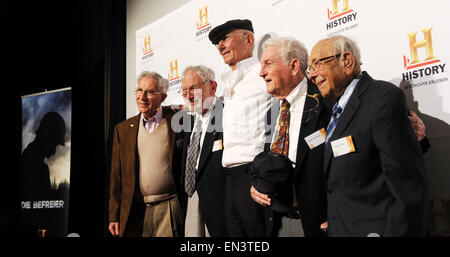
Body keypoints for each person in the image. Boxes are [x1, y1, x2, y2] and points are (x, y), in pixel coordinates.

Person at [306, 35, 429, 236]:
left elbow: (407, 186)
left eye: (317, 64)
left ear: (347, 61)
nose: (312, 75)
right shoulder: (332, 109)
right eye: (310, 68)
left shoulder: (382, 99)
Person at [250, 36, 331, 237]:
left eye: (268, 64)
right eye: (261, 65)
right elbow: (268, 159)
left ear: (294, 66)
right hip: (277, 221)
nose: (261, 73)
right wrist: (256, 186)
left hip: (318, 222)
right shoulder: (272, 112)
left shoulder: (325, 102)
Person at [208, 19, 276, 236]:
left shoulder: (262, 74)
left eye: (225, 38)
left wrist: (264, 175)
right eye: (217, 42)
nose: (219, 46)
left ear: (249, 39)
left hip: (254, 174)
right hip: (229, 176)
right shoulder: (228, 83)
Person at [108, 71, 184, 237]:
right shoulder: (123, 130)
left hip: (170, 209)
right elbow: (116, 176)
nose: (142, 97)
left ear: (163, 97)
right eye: (139, 90)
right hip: (137, 212)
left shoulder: (178, 121)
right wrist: (114, 215)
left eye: (150, 92)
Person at [178, 65, 227, 237]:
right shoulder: (189, 123)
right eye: (184, 91)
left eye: (193, 89)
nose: (188, 96)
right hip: (192, 204)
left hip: (221, 209)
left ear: (213, 87)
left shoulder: (227, 116)